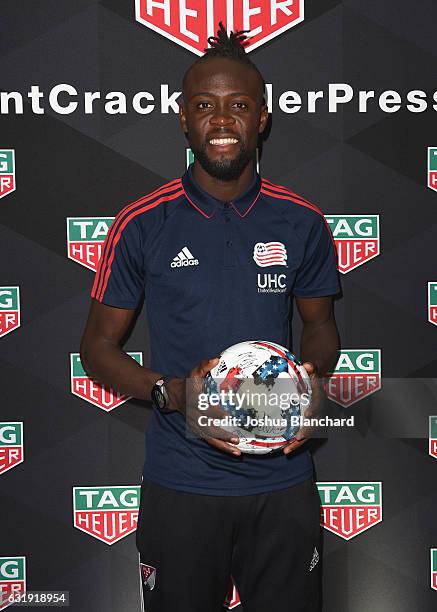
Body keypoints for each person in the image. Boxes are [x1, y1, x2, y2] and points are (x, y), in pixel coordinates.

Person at [80, 23, 340, 612]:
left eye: (239, 106)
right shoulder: (143, 223)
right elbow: (97, 348)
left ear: (263, 118)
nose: (222, 120)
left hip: (282, 482)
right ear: (182, 118)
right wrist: (171, 393)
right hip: (182, 482)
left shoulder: (300, 221)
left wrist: (310, 384)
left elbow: (321, 327)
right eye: (205, 106)